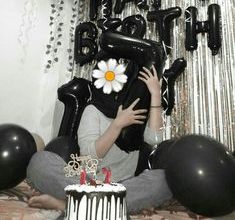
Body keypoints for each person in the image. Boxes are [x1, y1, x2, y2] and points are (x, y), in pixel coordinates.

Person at [26, 64, 172, 214]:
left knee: (164, 179)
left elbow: (154, 138)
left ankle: (69, 204)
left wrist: (155, 94)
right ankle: (106, 205)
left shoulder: (137, 112)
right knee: (40, 160)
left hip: (120, 186)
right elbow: (90, 156)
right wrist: (117, 125)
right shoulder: (93, 110)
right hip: (82, 181)